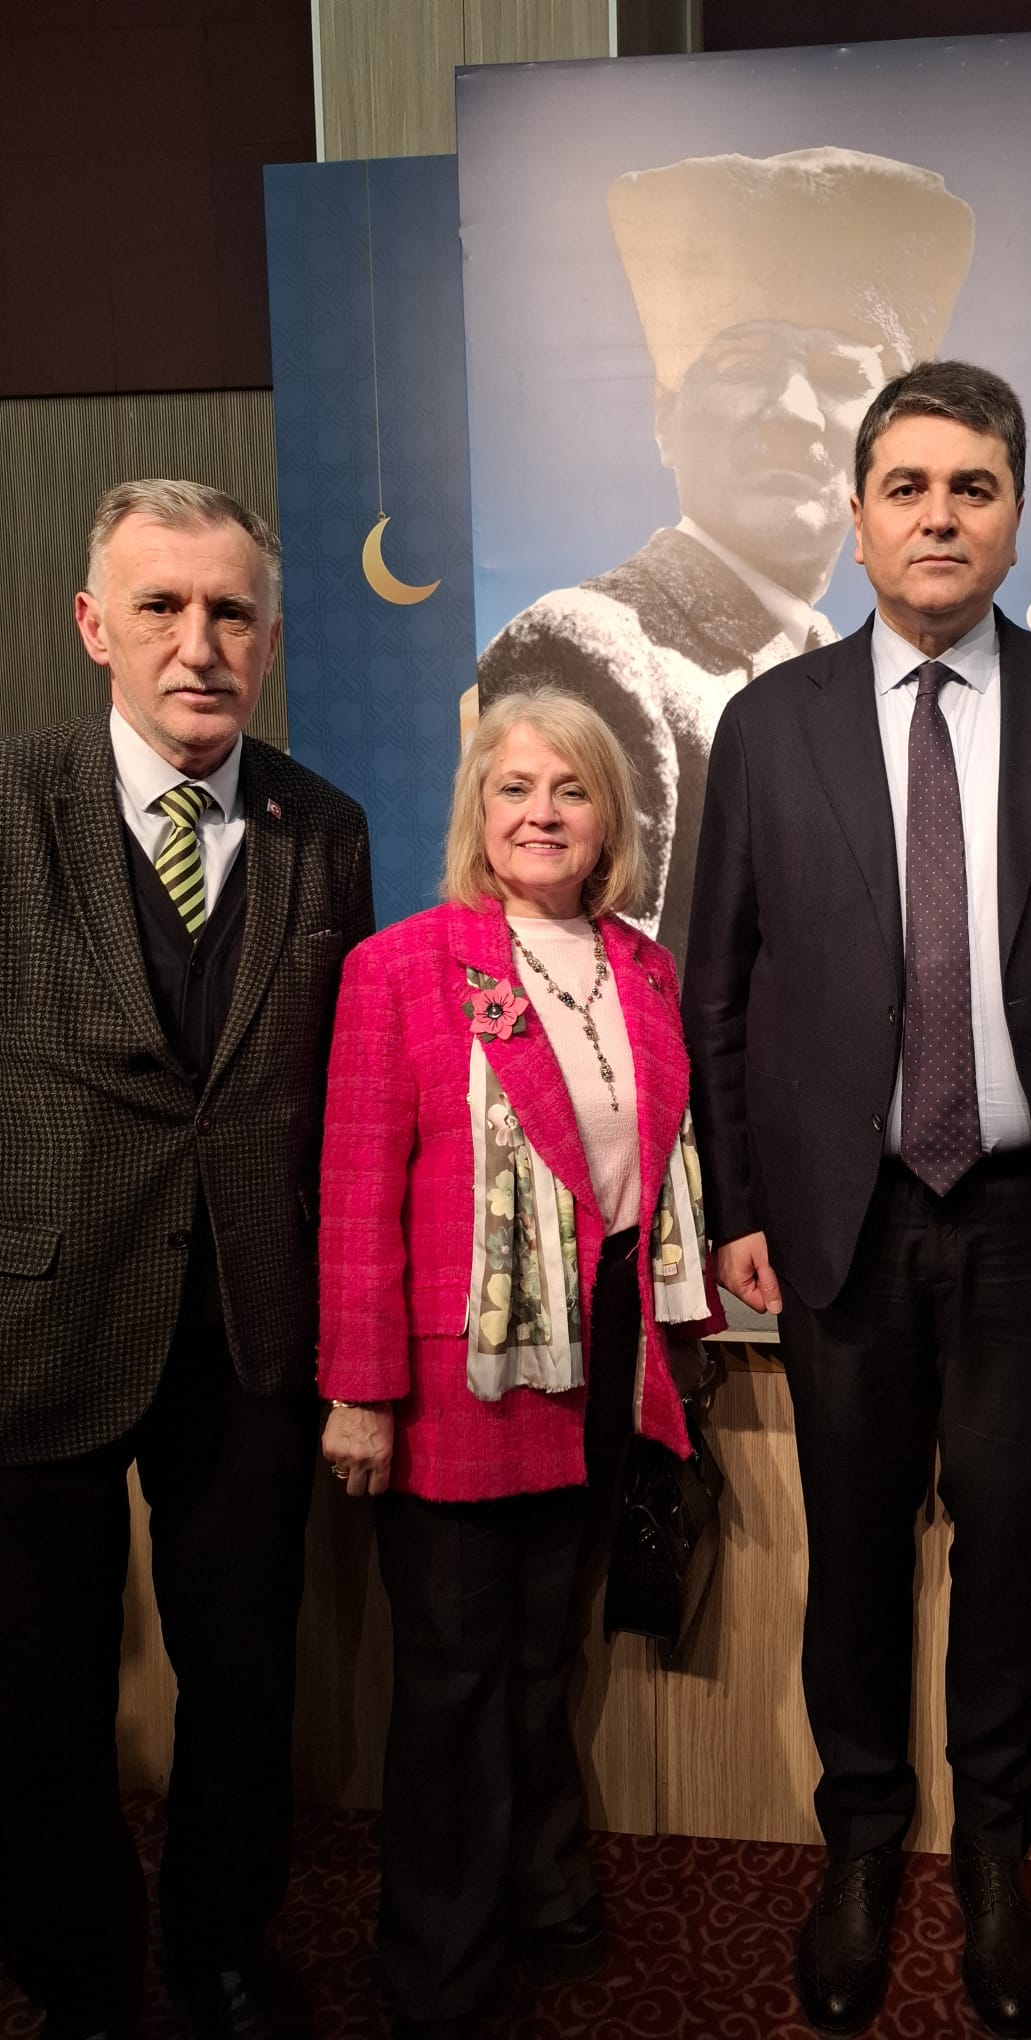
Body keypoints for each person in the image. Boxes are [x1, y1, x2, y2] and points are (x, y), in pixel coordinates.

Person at [682, 360, 1031, 2039]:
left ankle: (992, 1855)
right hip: (844, 1220)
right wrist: (737, 1203)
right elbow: (719, 988)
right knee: (853, 1555)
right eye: (907, 487)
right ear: (859, 517)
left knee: (1011, 1551)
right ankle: (859, 1845)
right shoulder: (769, 724)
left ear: (1017, 516)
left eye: (974, 487)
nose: (940, 517)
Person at [0, 480, 374, 2040]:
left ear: (270, 638)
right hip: (40, 1322)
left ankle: (220, 1947)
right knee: (39, 1691)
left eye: (231, 611)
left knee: (243, 1677)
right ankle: (80, 1978)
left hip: (250, 1322)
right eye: (161, 606)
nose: (198, 643)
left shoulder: (323, 826)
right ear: (95, 626)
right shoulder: (12, 806)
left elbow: (343, 1093)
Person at [317, 685, 723, 2040]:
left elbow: (648, 1174)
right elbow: (356, 1193)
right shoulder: (403, 967)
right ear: (476, 812)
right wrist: (360, 1392)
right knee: (451, 1677)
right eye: (514, 788)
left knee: (548, 1656)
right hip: (459, 1379)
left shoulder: (643, 968)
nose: (541, 813)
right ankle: (437, 1960)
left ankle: (545, 1894)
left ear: (609, 818)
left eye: (570, 789)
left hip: (601, 1359)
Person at [476, 146, 974, 968]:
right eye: (745, 364)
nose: (794, 412)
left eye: (837, 372)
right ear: (665, 418)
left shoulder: (851, 665)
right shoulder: (594, 644)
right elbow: (591, 993)